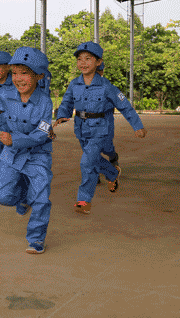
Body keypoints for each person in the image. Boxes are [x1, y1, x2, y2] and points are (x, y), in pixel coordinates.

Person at [56, 42, 146, 215]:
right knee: (94, 160)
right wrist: (62, 115)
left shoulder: (107, 86)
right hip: (81, 128)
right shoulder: (74, 84)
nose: (83, 63)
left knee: (87, 162)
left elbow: (124, 106)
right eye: (79, 59)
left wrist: (137, 126)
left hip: (99, 129)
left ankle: (84, 200)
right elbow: (67, 102)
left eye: (88, 59)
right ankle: (112, 173)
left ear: (98, 62)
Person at [0, 47, 54, 254]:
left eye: (25, 73)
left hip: (38, 155)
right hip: (12, 155)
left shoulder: (45, 102)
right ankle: (24, 197)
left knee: (42, 199)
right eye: (15, 73)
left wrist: (14, 139)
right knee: (3, 196)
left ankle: (36, 239)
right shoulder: (4, 95)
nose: (18, 79)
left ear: (39, 76)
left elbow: (43, 132)